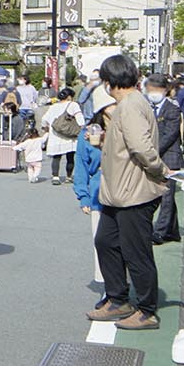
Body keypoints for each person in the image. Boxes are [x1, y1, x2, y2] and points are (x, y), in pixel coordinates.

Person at [89, 54, 169, 331]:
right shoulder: (129, 104)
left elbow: (141, 148)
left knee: (136, 252)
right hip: (118, 191)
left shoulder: (130, 106)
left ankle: (147, 310)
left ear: (109, 82)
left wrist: (160, 170)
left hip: (133, 192)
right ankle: (117, 298)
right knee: (105, 242)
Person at [74, 87, 110, 289]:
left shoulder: (126, 128)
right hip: (99, 192)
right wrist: (83, 196)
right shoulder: (88, 134)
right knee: (102, 243)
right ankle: (108, 288)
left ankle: (129, 284)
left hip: (128, 192)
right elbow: (81, 165)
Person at [146, 74, 184, 244]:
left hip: (169, 156)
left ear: (166, 90)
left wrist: (152, 151)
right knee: (157, 194)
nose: (153, 93)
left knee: (166, 195)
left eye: (157, 89)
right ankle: (172, 231)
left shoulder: (172, 108)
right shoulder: (146, 107)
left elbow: (170, 134)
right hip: (151, 156)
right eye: (150, 89)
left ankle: (160, 232)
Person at [40, 92, 84, 187]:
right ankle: (68, 176)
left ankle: (55, 176)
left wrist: (44, 128)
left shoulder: (53, 107)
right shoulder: (73, 104)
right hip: (69, 135)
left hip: (55, 135)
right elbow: (80, 120)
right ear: (69, 97)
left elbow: (44, 119)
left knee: (56, 157)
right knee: (70, 156)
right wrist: (81, 129)